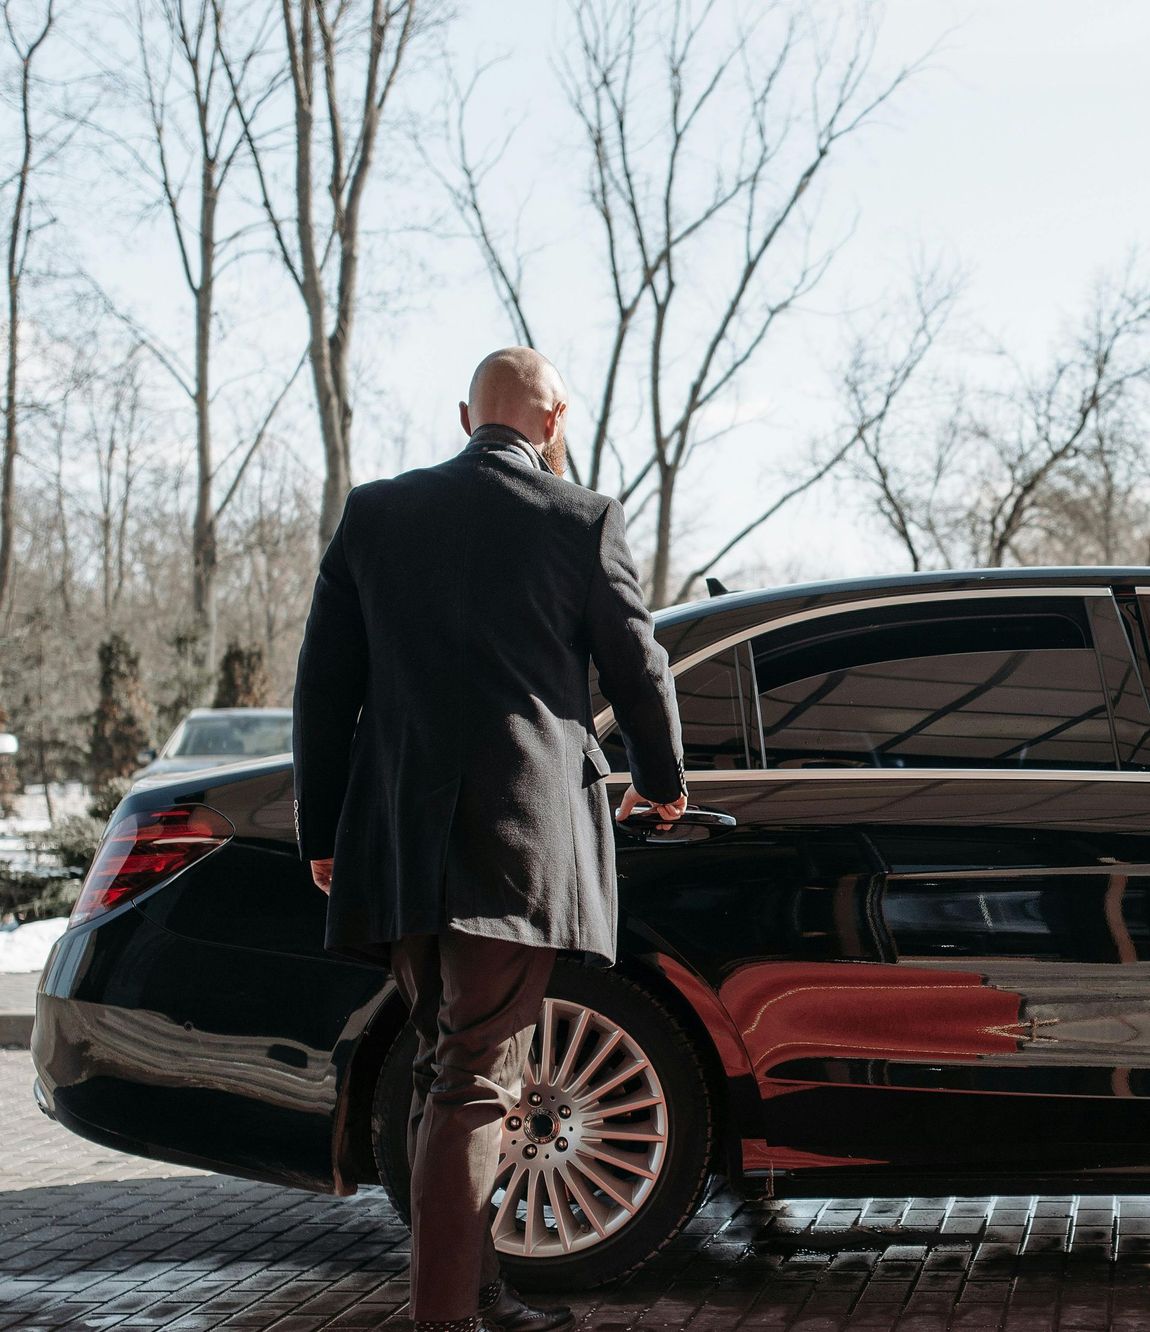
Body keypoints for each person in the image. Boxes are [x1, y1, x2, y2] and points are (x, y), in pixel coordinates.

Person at [292, 347, 688, 1332]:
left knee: (446, 1064)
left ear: (464, 414)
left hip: (397, 839)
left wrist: (321, 828)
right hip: (515, 842)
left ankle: (477, 1295)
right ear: (552, 422)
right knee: (473, 1077)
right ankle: (448, 1321)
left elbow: (322, 684)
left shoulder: (375, 515)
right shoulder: (580, 517)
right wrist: (665, 781)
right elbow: (638, 670)